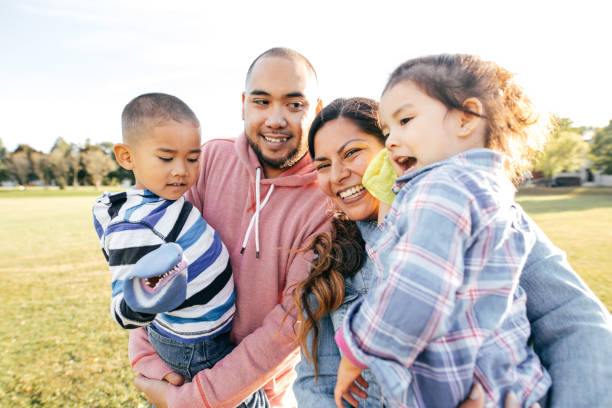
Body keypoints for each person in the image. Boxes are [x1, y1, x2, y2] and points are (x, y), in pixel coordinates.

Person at [293, 95, 612, 407]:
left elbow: (575, 323)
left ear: (392, 148)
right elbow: (316, 384)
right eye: (323, 165)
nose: (336, 174)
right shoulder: (328, 264)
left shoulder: (478, 212)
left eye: (352, 153)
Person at [333, 54, 552, 407]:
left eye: (405, 120)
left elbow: (414, 288)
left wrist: (355, 351)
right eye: (387, 130)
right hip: (507, 381)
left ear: (465, 119)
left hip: (462, 385)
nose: (390, 141)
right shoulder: (492, 192)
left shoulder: (440, 189)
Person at [129, 48, 330, 408]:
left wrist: (196, 399)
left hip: (257, 393)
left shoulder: (325, 202)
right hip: (176, 367)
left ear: (316, 110)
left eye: (294, 105)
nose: (275, 119)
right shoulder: (210, 161)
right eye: (261, 101)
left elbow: (288, 326)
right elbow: (153, 259)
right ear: (243, 105)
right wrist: (149, 359)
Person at [93, 93, 268, 407]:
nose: (181, 170)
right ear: (127, 157)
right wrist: (149, 299)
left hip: (208, 332)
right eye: (166, 157)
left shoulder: (163, 199)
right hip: (193, 343)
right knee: (246, 402)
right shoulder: (132, 228)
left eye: (192, 158)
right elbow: (121, 307)